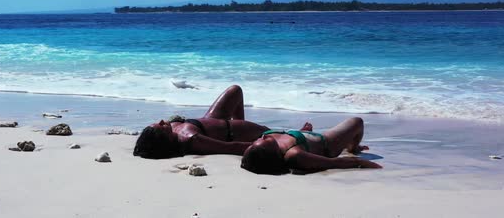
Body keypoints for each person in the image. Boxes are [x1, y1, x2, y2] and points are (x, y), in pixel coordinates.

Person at [133, 85, 270, 159]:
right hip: (232, 131)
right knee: (269, 132)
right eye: (160, 126)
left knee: (235, 90)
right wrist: (260, 147)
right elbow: (229, 147)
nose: (162, 121)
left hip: (210, 120)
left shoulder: (173, 129)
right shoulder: (191, 139)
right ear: (164, 138)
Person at [241, 117, 382, 174]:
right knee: (357, 122)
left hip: (302, 136)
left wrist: (302, 132)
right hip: (326, 144)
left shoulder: (260, 147)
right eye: (264, 141)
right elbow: (333, 163)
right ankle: (353, 148)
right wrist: (363, 162)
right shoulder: (294, 154)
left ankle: (350, 145)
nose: (264, 136)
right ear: (270, 152)